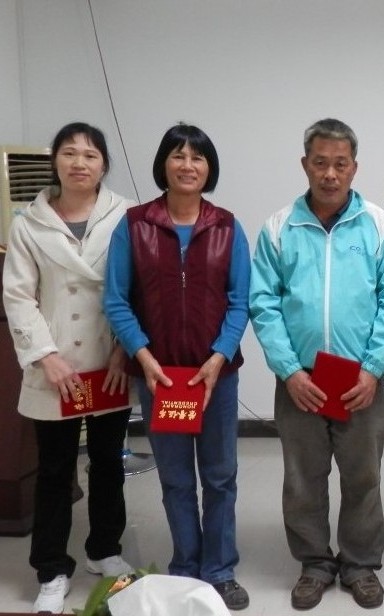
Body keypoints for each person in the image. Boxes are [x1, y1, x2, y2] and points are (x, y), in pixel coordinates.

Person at [249, 118, 384, 610]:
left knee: (363, 477)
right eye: (320, 163)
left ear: (354, 168)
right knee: (303, 479)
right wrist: (289, 371)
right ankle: (315, 562)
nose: (330, 174)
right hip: (300, 382)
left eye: (340, 164)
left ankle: (360, 564)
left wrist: (373, 368)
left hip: (360, 381)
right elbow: (263, 303)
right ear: (305, 165)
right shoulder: (280, 227)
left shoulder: (378, 226)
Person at [103, 123, 251, 611]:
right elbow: (116, 300)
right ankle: (185, 566)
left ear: (209, 168)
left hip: (215, 378)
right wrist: (143, 357)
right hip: (160, 378)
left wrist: (219, 356)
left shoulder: (227, 226)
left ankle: (219, 570)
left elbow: (240, 300)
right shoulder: (134, 225)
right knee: (176, 479)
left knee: (220, 477)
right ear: (163, 164)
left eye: (198, 157)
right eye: (178, 155)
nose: (188, 165)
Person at [2, 122, 135, 613]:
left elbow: (137, 286)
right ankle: (52, 569)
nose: (80, 162)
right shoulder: (29, 223)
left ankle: (105, 549)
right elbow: (18, 296)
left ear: (104, 165)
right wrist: (46, 355)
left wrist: (124, 348)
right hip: (55, 367)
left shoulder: (126, 216)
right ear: (54, 160)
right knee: (55, 469)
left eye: (91, 155)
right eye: (70, 153)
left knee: (108, 462)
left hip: (109, 361)